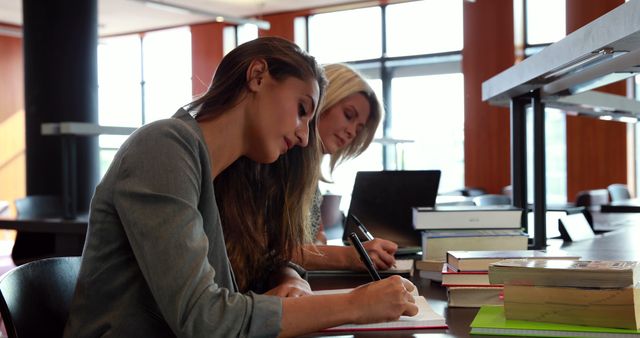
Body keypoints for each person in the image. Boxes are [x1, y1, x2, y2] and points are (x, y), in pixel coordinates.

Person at [64, 37, 417, 338]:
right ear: (258, 76)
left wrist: (289, 276)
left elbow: (263, 260)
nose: (304, 136)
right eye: (301, 109)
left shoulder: (230, 174)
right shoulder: (164, 146)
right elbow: (203, 320)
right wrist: (354, 305)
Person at [295, 63, 399, 272]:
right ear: (321, 101)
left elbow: (314, 241)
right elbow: (268, 252)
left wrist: (319, 246)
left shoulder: (309, 178)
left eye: (359, 128)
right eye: (349, 115)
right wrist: (350, 255)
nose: (352, 132)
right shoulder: (276, 165)